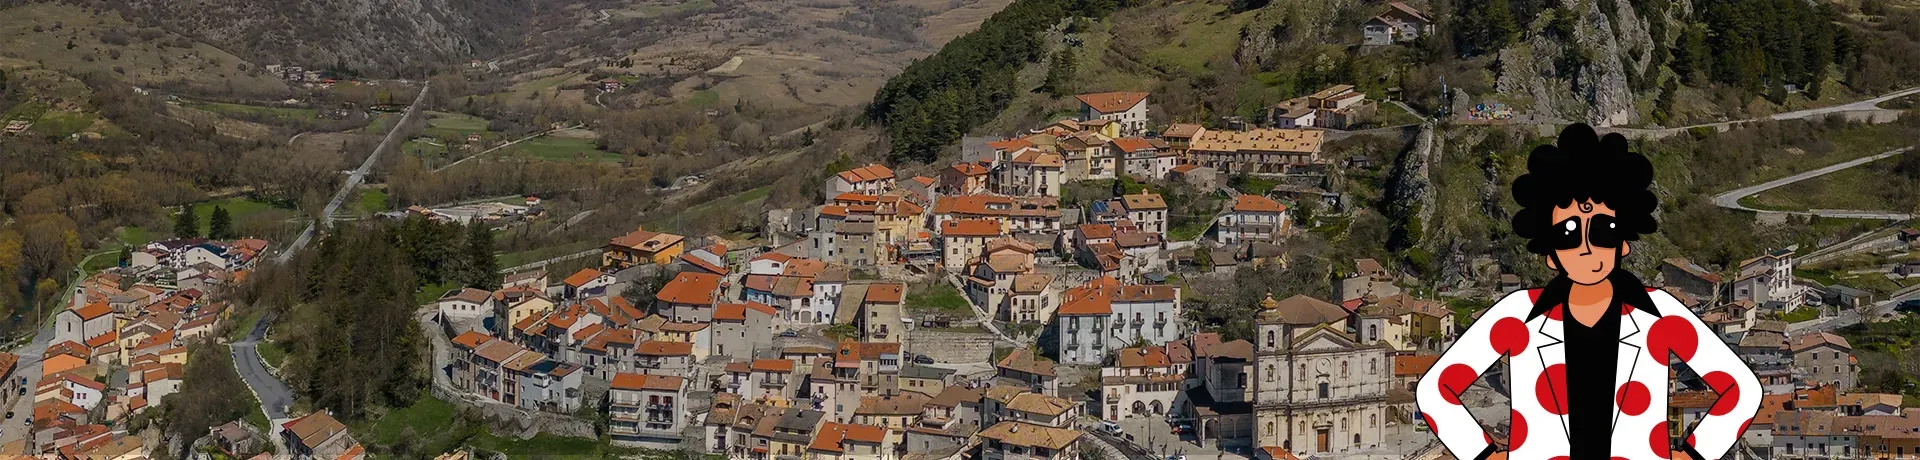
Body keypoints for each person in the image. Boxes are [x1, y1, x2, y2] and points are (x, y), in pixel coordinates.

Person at [1415, 124, 1761, 460]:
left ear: (1623, 243)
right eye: (1568, 234)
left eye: (1603, 230)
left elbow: (1742, 390)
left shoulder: (1660, 314)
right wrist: (1485, 454)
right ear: (1550, 253)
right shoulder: (1517, 315)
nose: (1586, 247)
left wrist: (1694, 454)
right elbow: (1435, 391)